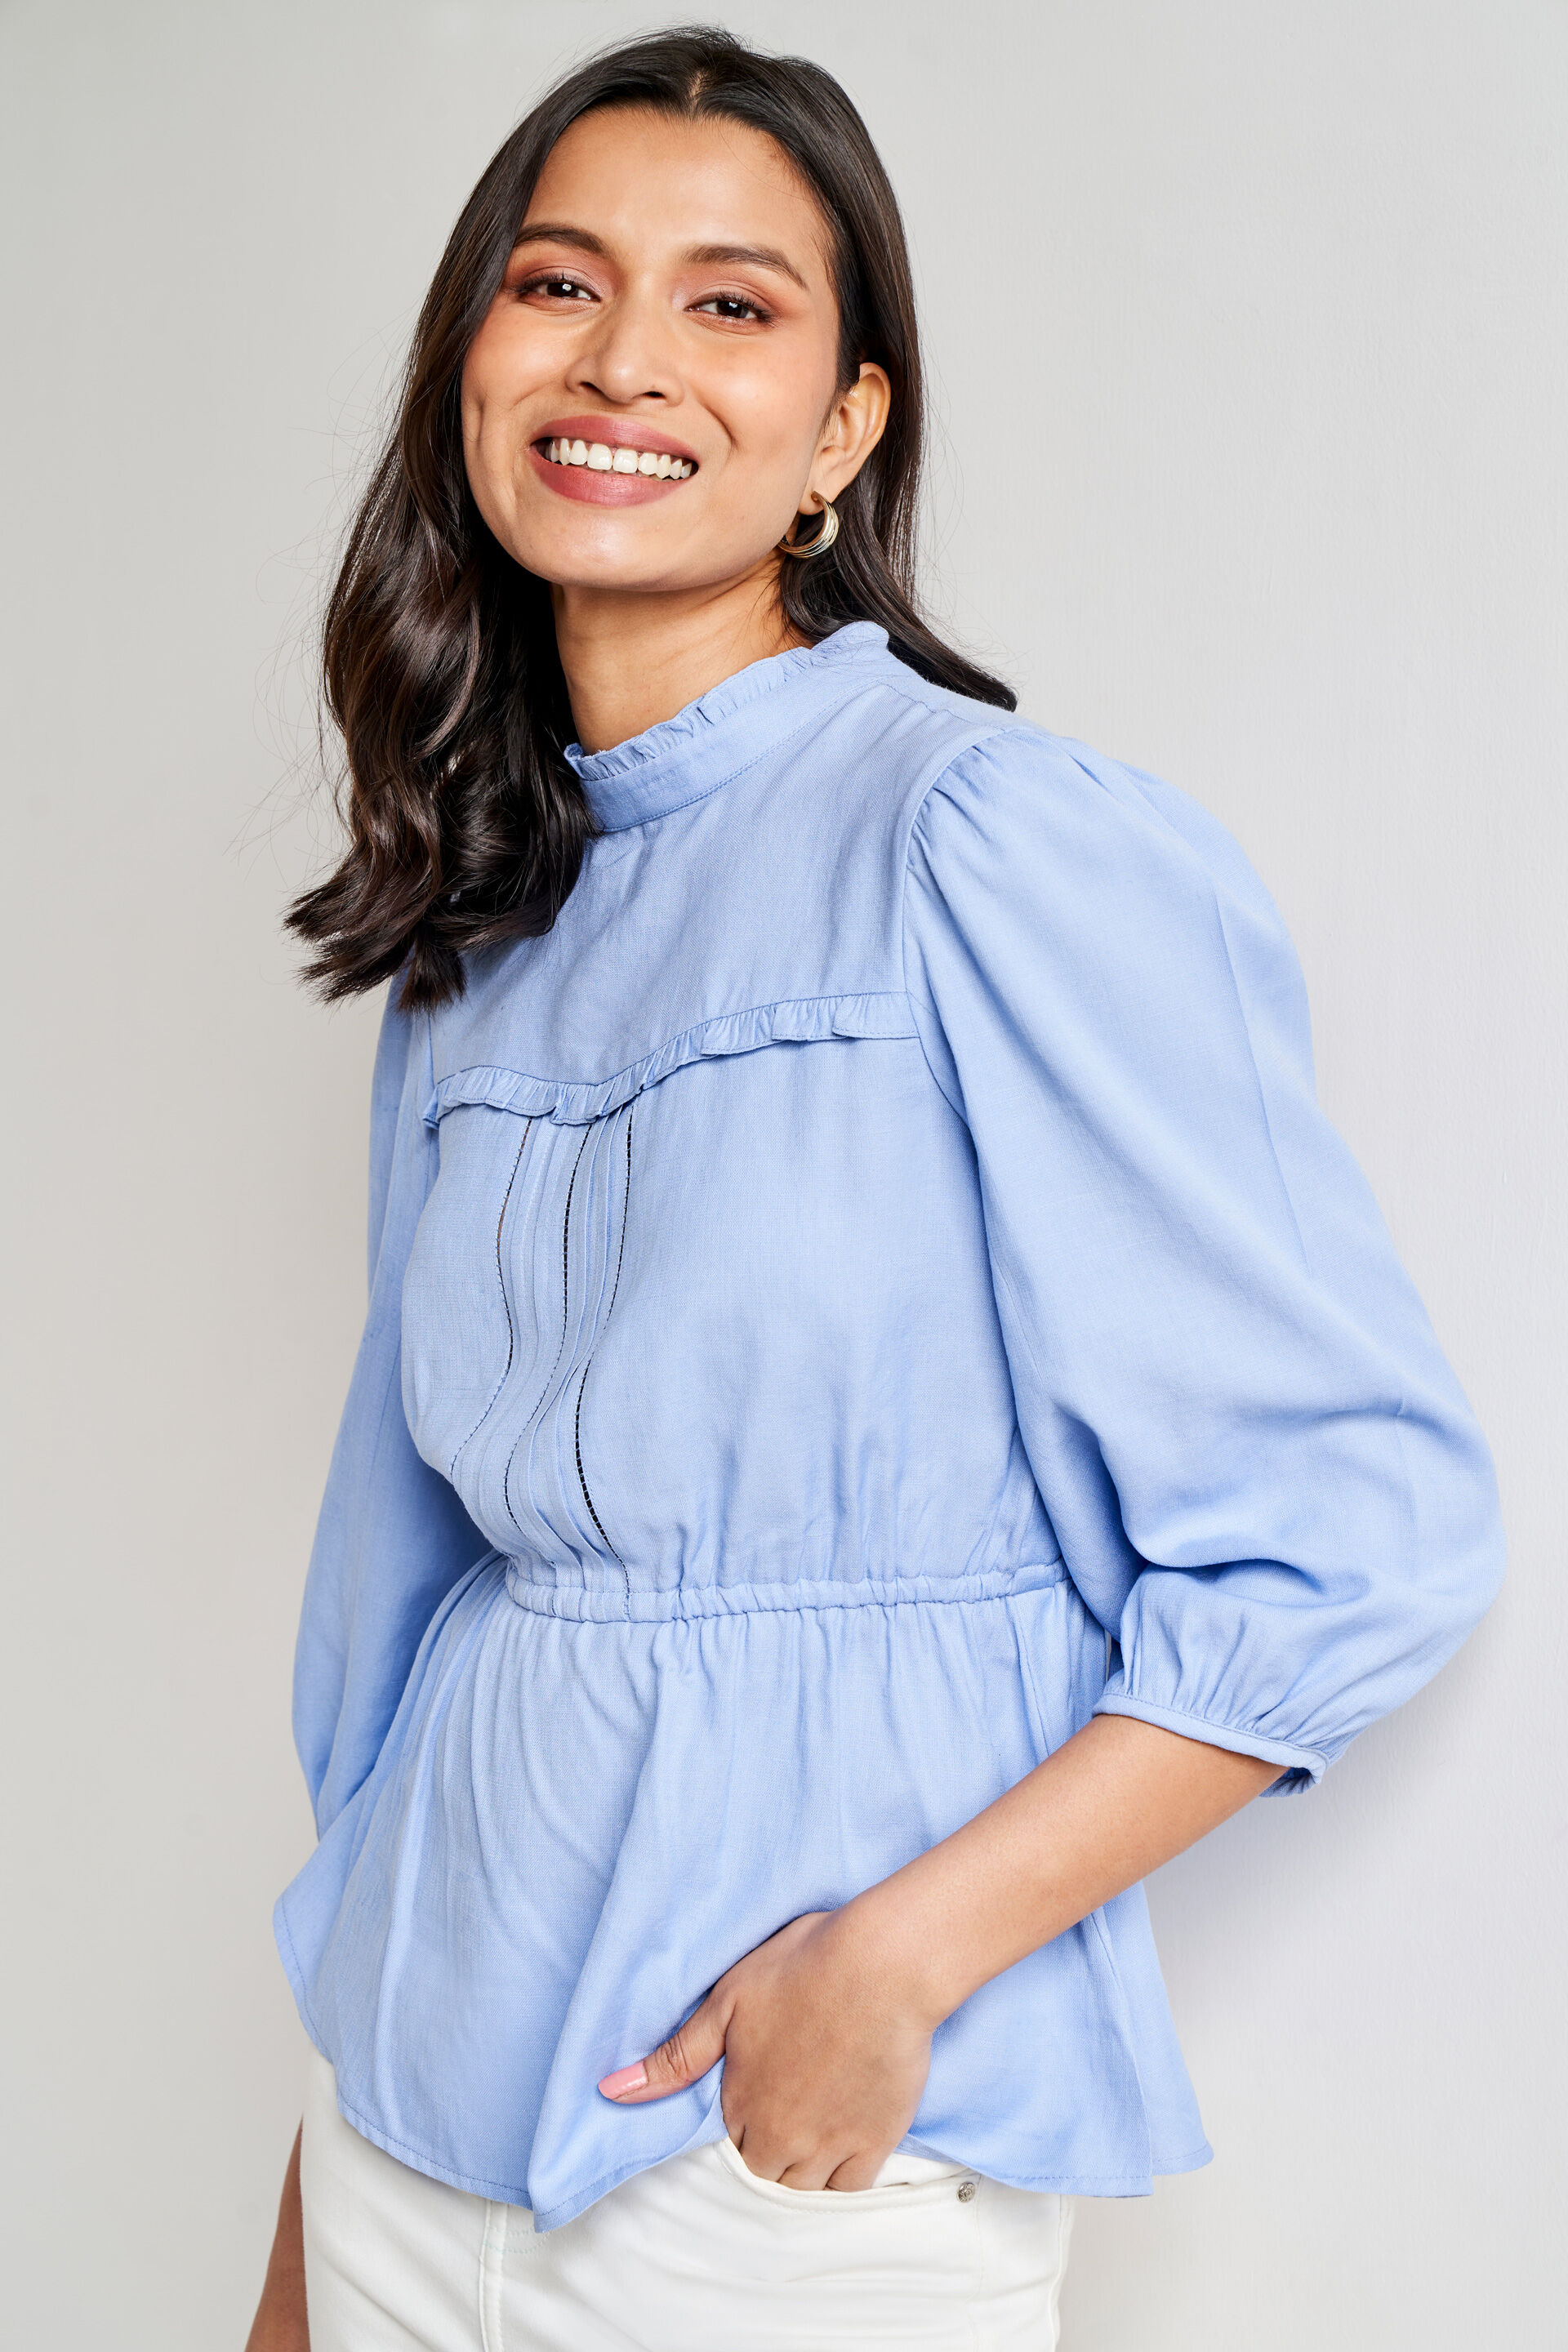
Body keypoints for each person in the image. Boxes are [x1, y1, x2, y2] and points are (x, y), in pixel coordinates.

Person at [245, 26, 1504, 2350]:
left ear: (842, 431)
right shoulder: (479, 927)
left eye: (730, 304)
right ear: (470, 367)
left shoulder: (990, 847)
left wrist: (895, 1967)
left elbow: (1354, 1528)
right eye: (558, 282)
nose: (624, 358)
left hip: (772, 2170)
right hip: (407, 2118)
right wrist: (338, 2137)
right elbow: (394, 1608)